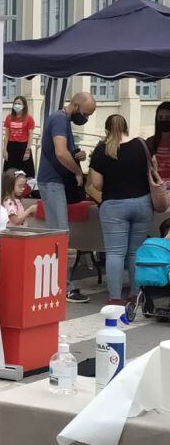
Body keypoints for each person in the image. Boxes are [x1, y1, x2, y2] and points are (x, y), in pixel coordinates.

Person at [36, 91, 98, 303]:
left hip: (54, 181)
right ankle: (62, 287)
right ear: (76, 105)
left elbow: (64, 152)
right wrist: (78, 172)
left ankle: (58, 284)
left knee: (58, 235)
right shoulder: (60, 120)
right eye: (86, 113)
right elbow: (61, 153)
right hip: (52, 181)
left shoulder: (61, 120)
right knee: (59, 236)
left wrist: (77, 154)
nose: (86, 118)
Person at [88, 114, 155, 304]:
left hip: (114, 206)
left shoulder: (101, 150)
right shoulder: (141, 145)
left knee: (115, 253)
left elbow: (97, 184)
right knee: (135, 252)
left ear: (107, 129)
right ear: (126, 127)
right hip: (142, 204)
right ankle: (136, 294)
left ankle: (115, 297)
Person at [3, 95, 36, 180]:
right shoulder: (9, 117)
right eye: (15, 103)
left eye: (19, 103)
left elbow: (30, 136)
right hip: (11, 147)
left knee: (26, 174)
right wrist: (5, 150)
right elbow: (6, 135)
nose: (17, 105)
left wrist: (27, 151)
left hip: (23, 147)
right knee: (9, 174)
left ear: (24, 106)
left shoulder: (29, 118)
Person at [145, 100, 170, 183]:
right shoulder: (150, 142)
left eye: (167, 118)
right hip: (157, 189)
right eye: (160, 118)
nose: (163, 121)